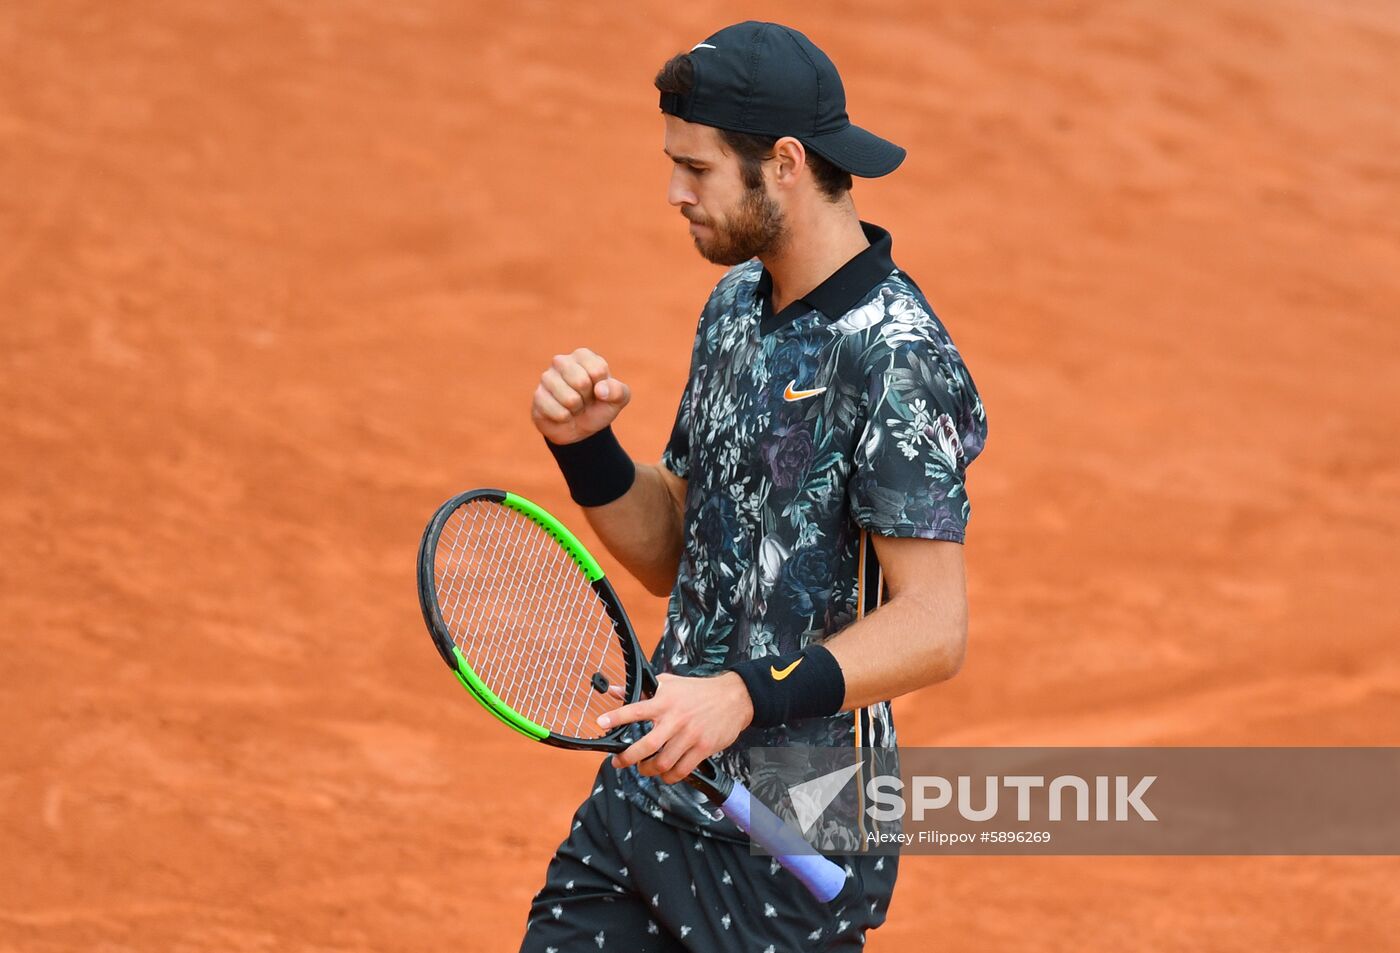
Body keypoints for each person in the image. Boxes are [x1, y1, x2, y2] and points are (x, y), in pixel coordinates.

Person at [522, 20, 986, 952]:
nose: (674, 192)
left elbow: (936, 626)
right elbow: (676, 548)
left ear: (783, 163)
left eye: (695, 168)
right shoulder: (737, 302)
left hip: (795, 837)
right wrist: (588, 452)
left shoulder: (897, 357)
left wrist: (742, 692)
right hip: (654, 792)